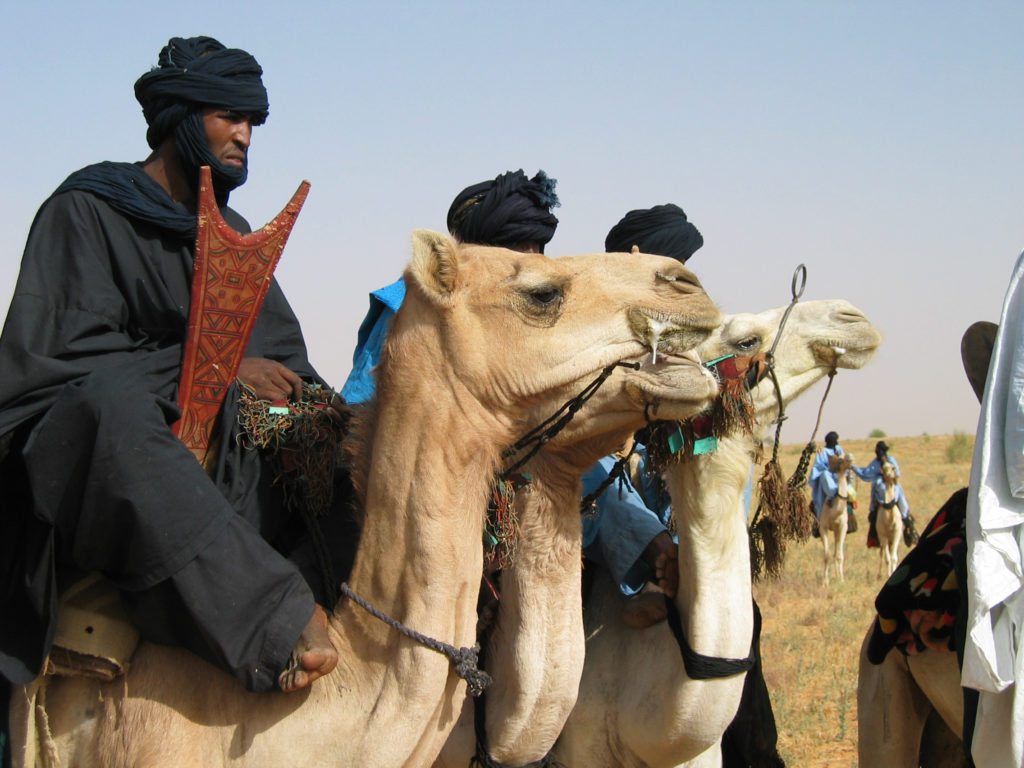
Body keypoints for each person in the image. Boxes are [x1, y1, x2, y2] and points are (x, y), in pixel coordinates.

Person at [0, 36, 347, 698]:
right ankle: (274, 620)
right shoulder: (89, 209)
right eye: (229, 117)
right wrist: (219, 368)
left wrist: (308, 403)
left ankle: (341, 592)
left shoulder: (231, 230)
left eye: (251, 123)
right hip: (101, 464)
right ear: (181, 118)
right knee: (111, 410)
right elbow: (63, 358)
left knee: (329, 428)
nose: (244, 135)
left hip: (220, 460)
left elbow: (282, 356)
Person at [581, 203, 704, 628]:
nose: (684, 273)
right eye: (675, 264)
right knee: (599, 481)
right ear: (636, 257)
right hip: (598, 455)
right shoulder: (593, 323)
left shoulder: (687, 326)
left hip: (657, 459)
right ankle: (658, 564)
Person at [341, 169, 560, 404]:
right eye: (519, 245)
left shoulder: (540, 309)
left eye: (536, 246)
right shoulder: (408, 300)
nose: (532, 257)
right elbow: (361, 401)